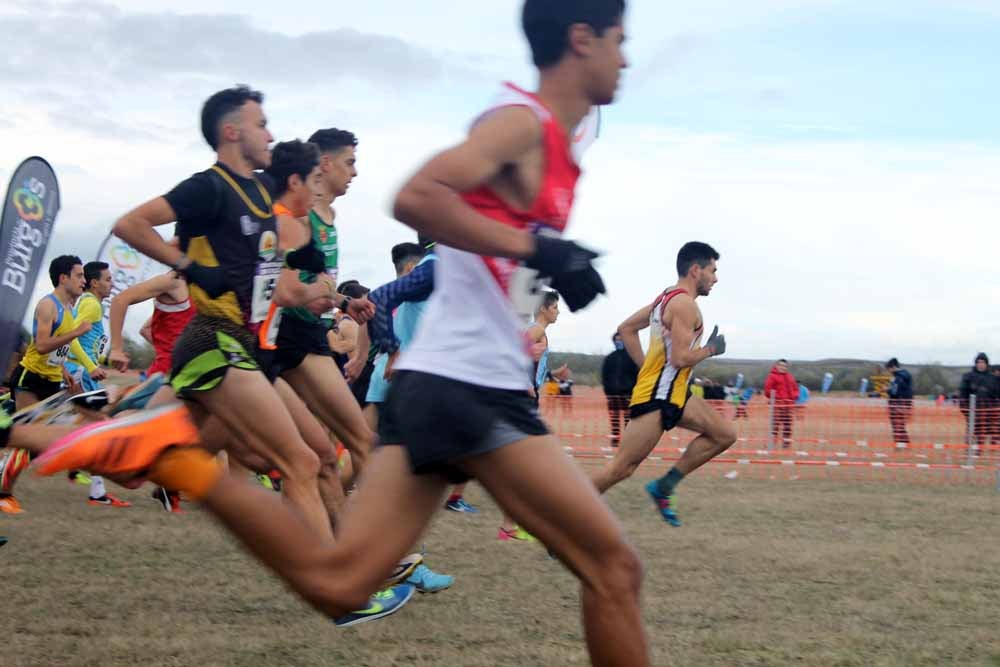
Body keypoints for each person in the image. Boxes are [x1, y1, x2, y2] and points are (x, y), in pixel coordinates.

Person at [30, 3, 647, 660]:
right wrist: (542, 250)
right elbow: (419, 196)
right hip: (465, 387)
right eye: (620, 40)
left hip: (448, 382)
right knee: (614, 569)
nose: (627, 58)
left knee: (337, 582)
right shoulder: (522, 121)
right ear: (582, 39)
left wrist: (538, 259)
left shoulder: (555, 136)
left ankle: (177, 460)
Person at [109, 87, 414, 623]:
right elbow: (130, 224)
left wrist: (335, 294)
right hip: (213, 340)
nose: (269, 134)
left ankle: (95, 431)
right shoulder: (209, 187)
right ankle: (336, 592)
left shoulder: (256, 196)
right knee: (299, 459)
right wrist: (188, 264)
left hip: (239, 347)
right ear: (233, 131)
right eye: (261, 124)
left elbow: (286, 287)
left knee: (187, 458)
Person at [588, 242, 734, 528]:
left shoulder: (665, 299)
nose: (715, 279)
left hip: (675, 393)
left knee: (724, 434)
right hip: (657, 398)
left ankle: (664, 487)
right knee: (621, 469)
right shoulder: (683, 305)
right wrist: (711, 350)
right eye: (712, 271)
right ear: (696, 270)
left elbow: (626, 330)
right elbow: (680, 359)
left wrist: (647, 369)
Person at [0, 256, 101, 514]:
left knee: (38, 440)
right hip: (30, 379)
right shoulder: (48, 305)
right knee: (27, 440)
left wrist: (64, 370)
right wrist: (77, 332)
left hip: (52, 380)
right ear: (63, 278)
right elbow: (42, 345)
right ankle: (3, 495)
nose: (84, 280)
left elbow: (59, 347)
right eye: (79, 275)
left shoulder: (68, 308)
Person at [108, 256, 195, 512]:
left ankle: (168, 487)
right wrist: (116, 347)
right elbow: (121, 299)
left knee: (189, 434)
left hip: (188, 373)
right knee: (157, 432)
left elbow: (150, 328)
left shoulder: (204, 285)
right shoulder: (173, 280)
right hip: (166, 375)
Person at [63, 260, 131, 507]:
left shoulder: (92, 305)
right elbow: (70, 338)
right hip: (79, 373)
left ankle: (85, 477)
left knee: (84, 427)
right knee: (98, 427)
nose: (112, 284)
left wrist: (102, 362)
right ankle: (97, 492)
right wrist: (90, 367)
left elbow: (89, 342)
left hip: (81, 372)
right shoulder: (91, 305)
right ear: (94, 282)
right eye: (108, 279)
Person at [601, 332, 638, 446]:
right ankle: (615, 441)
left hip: (628, 395)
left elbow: (637, 375)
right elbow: (604, 376)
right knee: (615, 420)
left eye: (621, 340)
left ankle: (628, 442)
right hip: (613, 395)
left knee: (629, 420)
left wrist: (633, 391)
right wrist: (608, 392)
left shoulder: (632, 357)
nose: (619, 342)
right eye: (617, 340)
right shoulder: (609, 358)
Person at [959, 353, 999, 451]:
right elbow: (963, 394)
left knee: (988, 432)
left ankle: (984, 450)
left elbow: (997, 394)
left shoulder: (993, 378)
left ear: (986, 364)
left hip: (989, 411)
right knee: (972, 432)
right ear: (976, 363)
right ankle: (968, 451)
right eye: (978, 362)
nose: (980, 364)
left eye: (983, 362)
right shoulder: (968, 377)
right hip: (973, 410)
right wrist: (965, 409)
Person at [764, 359, 798, 448]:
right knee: (775, 425)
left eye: (785, 366)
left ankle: (786, 444)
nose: (783, 367)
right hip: (777, 405)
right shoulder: (772, 376)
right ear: (777, 366)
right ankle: (772, 444)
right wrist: (776, 398)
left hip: (788, 405)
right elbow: (767, 391)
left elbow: (795, 389)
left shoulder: (790, 377)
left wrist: (794, 397)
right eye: (781, 365)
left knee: (788, 426)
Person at [886, 358, 913, 446]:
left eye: (889, 369)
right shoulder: (903, 376)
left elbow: (895, 392)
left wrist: (887, 390)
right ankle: (901, 444)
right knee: (899, 426)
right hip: (901, 403)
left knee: (898, 425)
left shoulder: (898, 377)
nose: (889, 371)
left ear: (893, 367)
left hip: (898, 404)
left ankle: (902, 444)